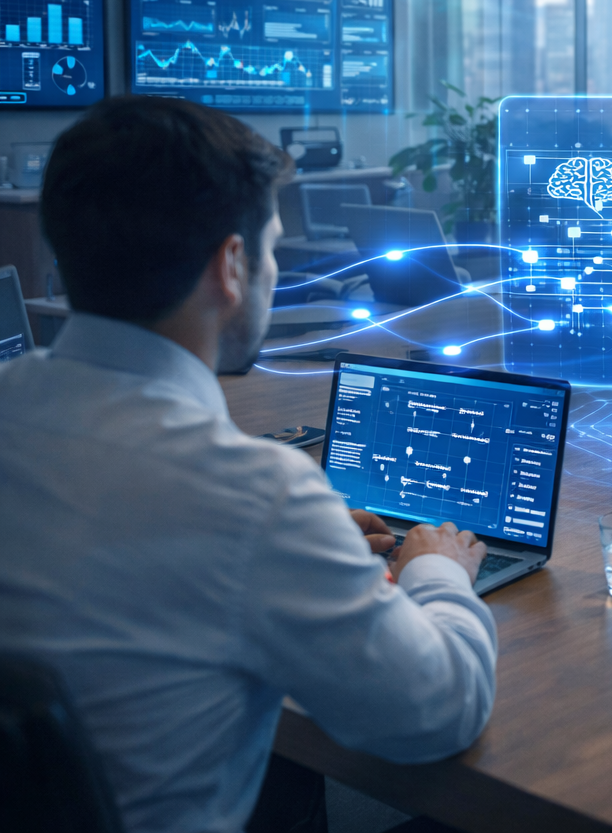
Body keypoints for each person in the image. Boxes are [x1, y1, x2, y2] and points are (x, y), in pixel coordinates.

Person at [0, 97, 496, 833]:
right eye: (268, 246)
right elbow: (440, 711)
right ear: (232, 265)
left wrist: (312, 543)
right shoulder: (254, 495)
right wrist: (438, 569)